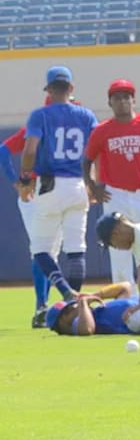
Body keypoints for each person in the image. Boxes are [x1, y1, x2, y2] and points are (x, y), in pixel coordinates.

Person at [82, 79, 140, 291]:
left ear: (134, 100)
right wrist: (93, 184)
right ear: (110, 103)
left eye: (126, 97)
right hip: (115, 195)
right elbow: (87, 159)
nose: (122, 101)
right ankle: (126, 303)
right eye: (117, 98)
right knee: (119, 254)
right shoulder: (102, 130)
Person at [18, 66, 98, 306]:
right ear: (71, 88)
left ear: (49, 89)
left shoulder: (39, 115)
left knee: (41, 249)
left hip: (50, 184)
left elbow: (30, 149)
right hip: (78, 184)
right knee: (76, 249)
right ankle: (74, 304)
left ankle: (64, 292)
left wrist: (25, 178)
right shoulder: (86, 115)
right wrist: (92, 183)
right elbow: (94, 153)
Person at [0, 103, 62, 327]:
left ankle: (44, 307)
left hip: (58, 190)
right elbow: (3, 150)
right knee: (41, 248)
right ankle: (41, 306)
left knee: (50, 251)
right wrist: (17, 181)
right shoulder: (37, 127)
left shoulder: (66, 125)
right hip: (36, 190)